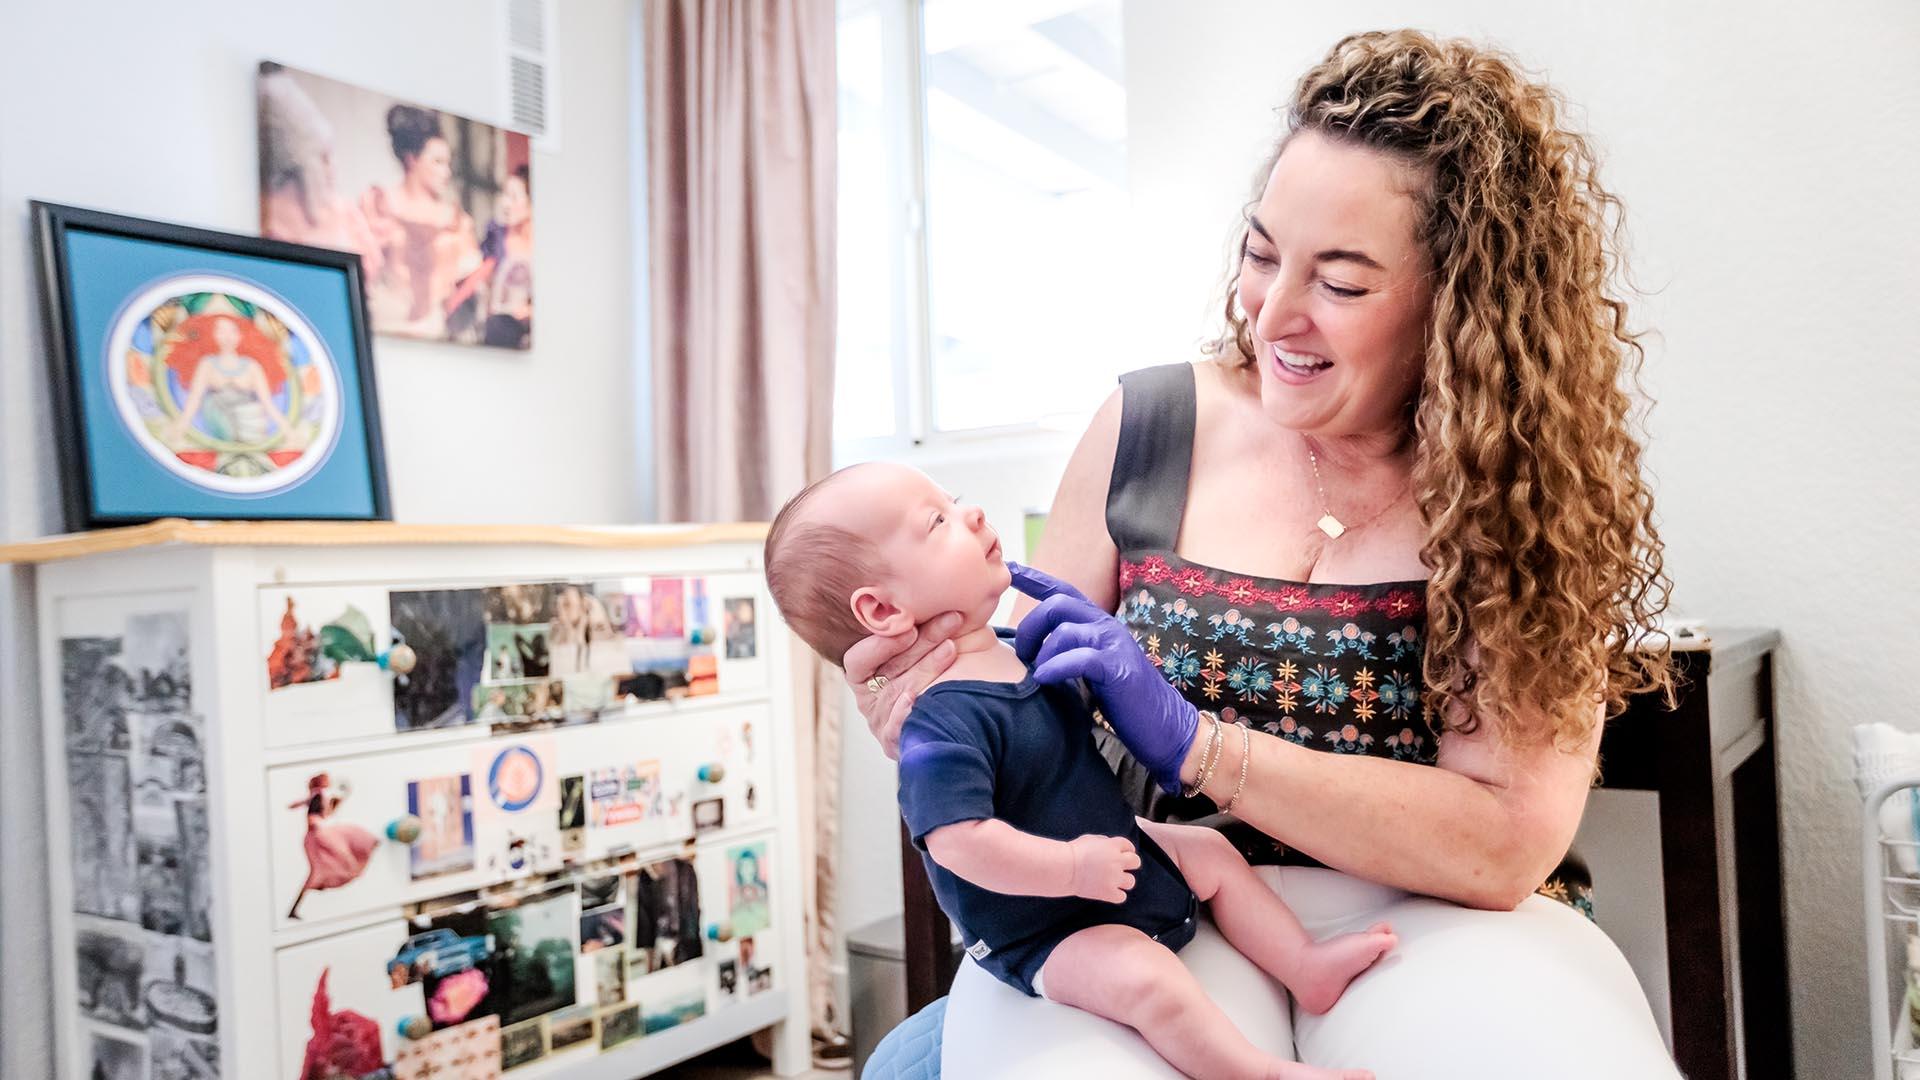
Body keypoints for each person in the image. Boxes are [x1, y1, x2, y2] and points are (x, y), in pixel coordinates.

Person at [846, 29, 1679, 1078]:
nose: (1271, 312)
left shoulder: (1514, 489)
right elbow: (1023, 719)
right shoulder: (1145, 429)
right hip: (1164, 904)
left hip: (1427, 923)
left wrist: (1200, 746)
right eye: (1260, 252)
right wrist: (946, 699)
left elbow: (1509, 842)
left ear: (1456, 303)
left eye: (1340, 281)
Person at [768, 462, 1394, 1080]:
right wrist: (1072, 868)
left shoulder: (1013, 647)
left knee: (1210, 852)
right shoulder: (939, 720)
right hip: (1045, 923)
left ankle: (1305, 967)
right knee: (1147, 980)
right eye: (936, 522)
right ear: (882, 611)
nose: (973, 513)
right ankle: (1258, 1074)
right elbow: (958, 843)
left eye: (953, 499)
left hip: (1110, 847)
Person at [361, 104, 481, 339]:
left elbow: (470, 283)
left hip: (440, 333)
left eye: (448, 163)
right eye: (437, 162)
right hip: (386, 331)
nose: (446, 172)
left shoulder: (456, 222)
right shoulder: (378, 205)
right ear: (412, 159)